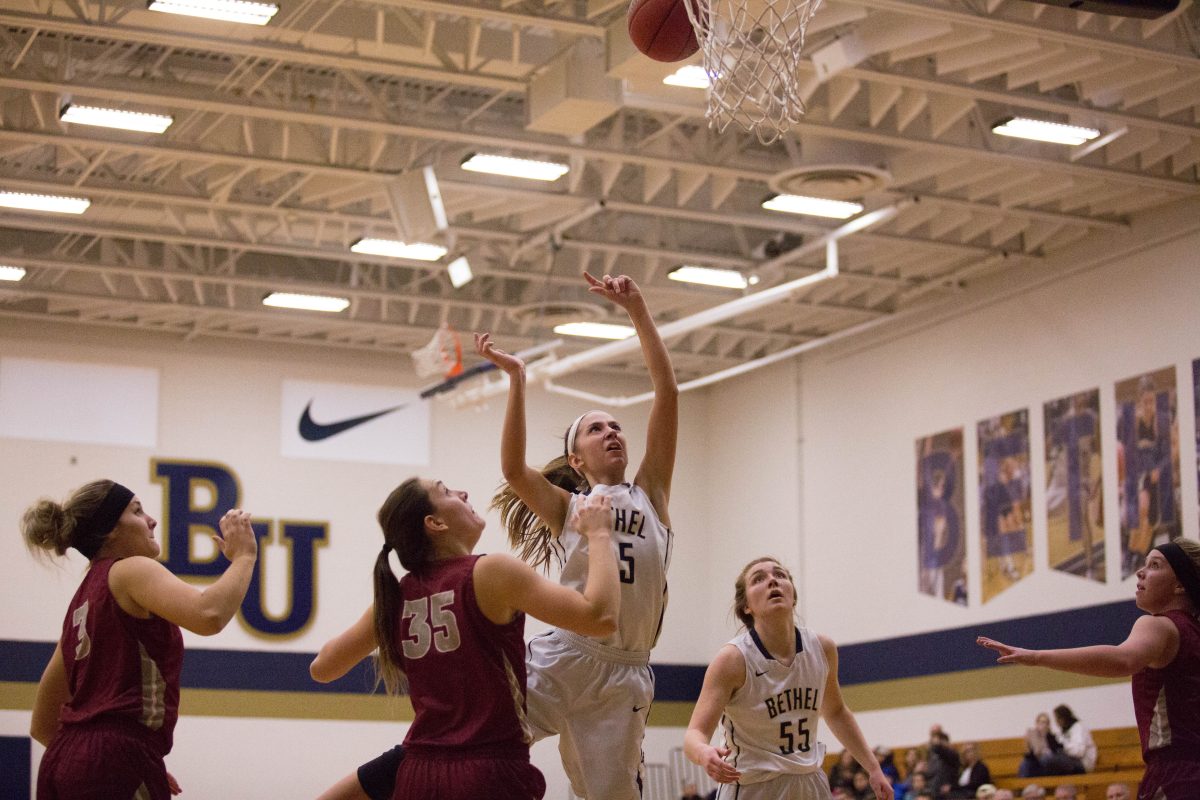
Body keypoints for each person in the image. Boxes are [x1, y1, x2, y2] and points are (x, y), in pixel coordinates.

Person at [473, 270, 678, 800]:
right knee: (479, 745)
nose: (612, 431)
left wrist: (637, 311)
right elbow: (515, 471)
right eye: (596, 428)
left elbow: (667, 393)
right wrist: (516, 380)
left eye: (616, 426)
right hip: (567, 654)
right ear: (575, 458)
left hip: (627, 671)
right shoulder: (569, 506)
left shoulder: (650, 495)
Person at [308, 478, 621, 800]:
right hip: (487, 774)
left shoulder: (397, 596)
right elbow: (600, 618)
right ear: (435, 523)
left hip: (418, 774)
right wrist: (598, 534)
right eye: (446, 492)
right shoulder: (491, 571)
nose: (463, 493)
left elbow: (323, 668)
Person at [23, 480, 257, 800]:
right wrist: (244, 557)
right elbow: (209, 614)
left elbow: (42, 723)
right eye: (137, 510)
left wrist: (89, 759)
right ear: (109, 530)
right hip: (116, 755)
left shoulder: (83, 599)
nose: (152, 520)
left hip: (61, 763)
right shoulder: (130, 570)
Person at [978, 539, 1200, 800]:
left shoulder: (1158, 626)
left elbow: (1122, 660)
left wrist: (1036, 656)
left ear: (1180, 584)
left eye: (1154, 565)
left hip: (1177, 777)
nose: (1140, 572)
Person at [683, 557, 894, 800]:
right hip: (753, 786)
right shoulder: (732, 660)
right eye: (759, 579)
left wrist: (873, 768)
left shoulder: (822, 648)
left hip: (810, 783)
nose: (772, 580)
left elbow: (836, 712)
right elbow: (694, 734)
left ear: (793, 596)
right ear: (746, 606)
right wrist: (703, 752)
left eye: (780, 575)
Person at [1019, 712, 1072, 778]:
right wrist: (1041, 735)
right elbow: (1036, 750)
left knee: (1048, 758)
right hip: (1035, 760)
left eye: (1046, 723)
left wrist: (1045, 735)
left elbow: (1055, 751)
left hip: (1049, 762)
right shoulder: (1032, 733)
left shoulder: (1051, 736)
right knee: (1025, 763)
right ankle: (1022, 785)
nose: (1044, 725)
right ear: (1037, 723)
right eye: (1041, 722)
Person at [1051, 705, 1096, 774]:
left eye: (1057, 718)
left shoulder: (1079, 728)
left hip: (1083, 763)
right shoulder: (1062, 732)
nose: (1056, 721)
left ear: (1064, 718)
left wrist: (1063, 747)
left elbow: (1079, 752)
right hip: (1069, 760)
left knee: (1051, 760)